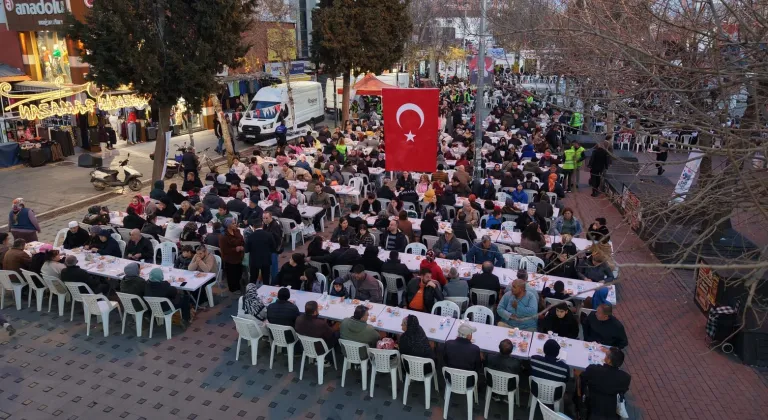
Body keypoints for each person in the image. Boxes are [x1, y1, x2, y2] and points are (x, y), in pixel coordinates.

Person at [579, 347, 632, 420]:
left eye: (606, 355)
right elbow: (623, 390)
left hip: (593, 405)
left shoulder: (594, 370)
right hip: (612, 410)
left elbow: (582, 377)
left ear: (609, 360)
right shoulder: (625, 378)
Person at [245, 218, 277, 285]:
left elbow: (246, 250)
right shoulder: (269, 235)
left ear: (253, 227)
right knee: (266, 279)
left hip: (254, 261)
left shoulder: (250, 236)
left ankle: (251, 292)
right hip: (266, 260)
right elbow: (274, 248)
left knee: (253, 279)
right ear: (262, 225)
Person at [219, 218, 245, 293]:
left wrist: (242, 246)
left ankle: (238, 285)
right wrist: (235, 249)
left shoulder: (237, 231)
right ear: (228, 225)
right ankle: (233, 289)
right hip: (230, 258)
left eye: (235, 223)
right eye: (233, 223)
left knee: (239, 272)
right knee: (232, 275)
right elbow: (224, 250)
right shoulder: (223, 236)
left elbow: (241, 239)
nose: (235, 224)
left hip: (239, 256)